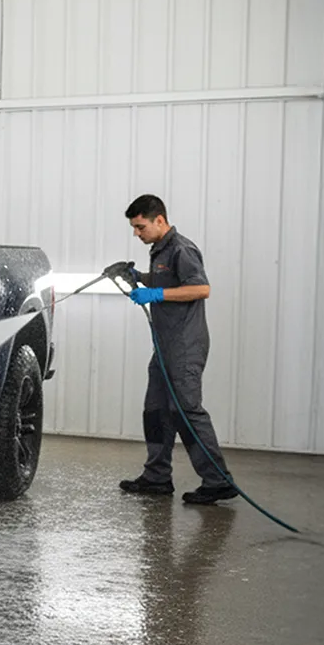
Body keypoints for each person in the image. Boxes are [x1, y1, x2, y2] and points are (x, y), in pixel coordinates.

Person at [105, 195, 238, 505]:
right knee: (155, 410)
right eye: (134, 228)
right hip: (164, 347)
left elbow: (201, 288)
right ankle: (157, 477)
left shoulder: (181, 249)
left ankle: (218, 481)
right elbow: (168, 280)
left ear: (160, 220)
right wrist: (138, 278)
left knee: (186, 411)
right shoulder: (160, 251)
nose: (136, 233)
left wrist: (155, 293)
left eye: (140, 227)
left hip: (184, 347)